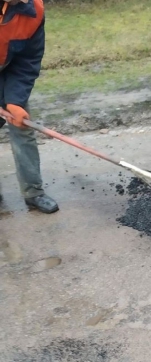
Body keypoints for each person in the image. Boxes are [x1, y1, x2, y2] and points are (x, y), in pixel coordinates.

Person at [0, 0, 58, 213]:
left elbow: (27, 61)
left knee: (22, 129)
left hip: (9, 69)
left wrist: (15, 100)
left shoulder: (33, 11)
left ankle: (33, 192)